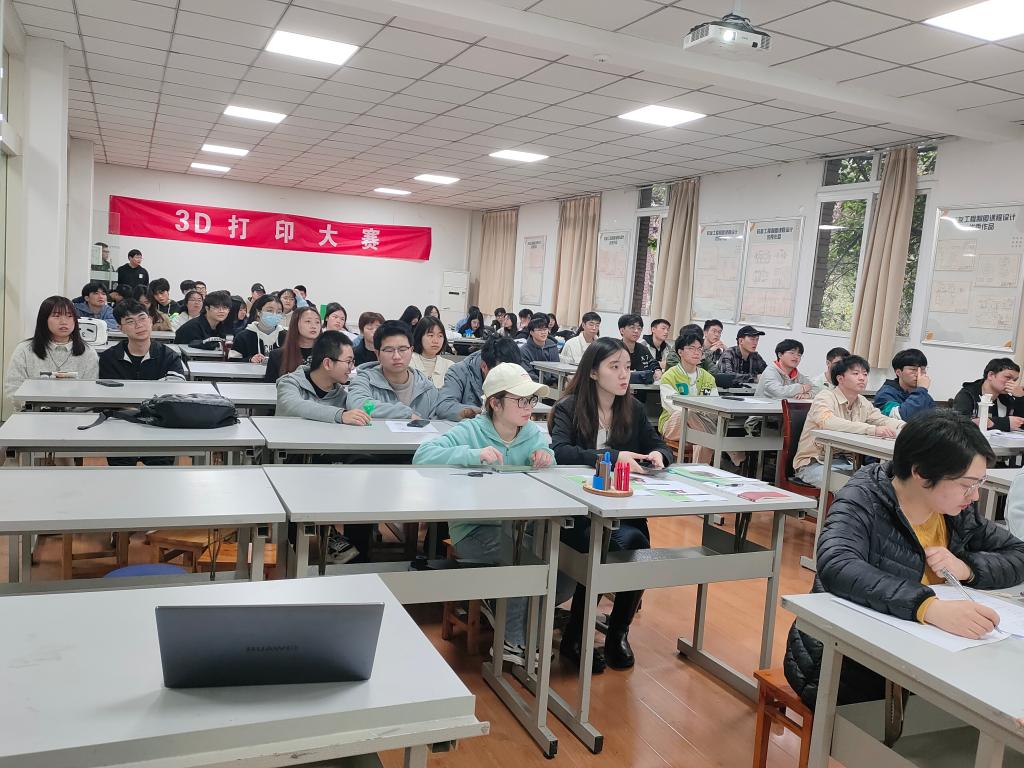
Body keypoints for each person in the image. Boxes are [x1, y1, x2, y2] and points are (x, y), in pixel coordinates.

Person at [784, 409, 1024, 710]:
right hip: (845, 669)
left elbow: (1019, 554)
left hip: (933, 661)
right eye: (967, 484)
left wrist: (967, 569)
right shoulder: (863, 499)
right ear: (921, 473)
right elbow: (838, 565)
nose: (975, 496)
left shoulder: (956, 512)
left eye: (979, 483)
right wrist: (929, 608)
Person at [414, 363, 559, 665]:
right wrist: (472, 455)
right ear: (495, 403)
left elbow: (552, 463)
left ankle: (505, 609)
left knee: (558, 563)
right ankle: (512, 641)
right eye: (521, 400)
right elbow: (422, 456)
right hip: (474, 530)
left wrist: (547, 457)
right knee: (525, 562)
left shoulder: (531, 433)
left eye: (531, 400)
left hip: (518, 527)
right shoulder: (471, 431)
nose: (528, 407)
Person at [549, 338, 674, 672]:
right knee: (606, 547)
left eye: (627, 367)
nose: (623, 375)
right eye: (614, 367)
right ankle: (577, 636)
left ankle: (618, 632)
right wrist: (613, 457)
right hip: (578, 509)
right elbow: (560, 452)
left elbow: (660, 445)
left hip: (621, 507)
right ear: (593, 372)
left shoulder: (632, 408)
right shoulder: (570, 407)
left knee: (637, 546)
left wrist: (658, 455)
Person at [276, 330, 372, 563]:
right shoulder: (290, 383)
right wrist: (340, 415)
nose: (351, 368)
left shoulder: (343, 394)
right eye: (348, 362)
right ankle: (298, 552)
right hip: (290, 462)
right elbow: (292, 406)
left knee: (365, 472)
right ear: (327, 363)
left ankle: (355, 552)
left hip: (328, 461)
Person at [793, 355, 904, 488]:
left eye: (865, 374)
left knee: (882, 484)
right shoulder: (825, 396)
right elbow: (828, 422)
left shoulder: (862, 401)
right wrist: (871, 429)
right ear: (840, 379)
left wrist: (907, 427)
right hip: (814, 463)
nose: (862, 378)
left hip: (848, 464)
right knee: (859, 489)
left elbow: (882, 419)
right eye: (855, 373)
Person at [99, 299, 186, 466]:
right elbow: (110, 398)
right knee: (121, 474)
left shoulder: (169, 356)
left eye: (142, 318)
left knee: (160, 472)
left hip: (159, 425)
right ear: (120, 328)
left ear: (151, 320)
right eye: (130, 321)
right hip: (122, 425)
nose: (138, 325)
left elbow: (174, 396)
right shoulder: (110, 357)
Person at [5, 296, 99, 406]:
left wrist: (67, 410)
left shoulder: (88, 353)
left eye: (69, 316)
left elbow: (90, 393)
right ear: (44, 319)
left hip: (76, 414)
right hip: (33, 412)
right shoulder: (25, 350)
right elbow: (13, 388)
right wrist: (36, 408)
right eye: (56, 316)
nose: (64, 322)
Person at [347, 320, 440, 419]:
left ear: (411, 351)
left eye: (403, 349)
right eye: (389, 350)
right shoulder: (365, 381)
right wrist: (406, 414)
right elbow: (359, 404)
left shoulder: (427, 388)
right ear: (377, 354)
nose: (397, 356)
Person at [658, 329, 719, 462]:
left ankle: (698, 471)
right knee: (687, 412)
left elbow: (714, 407)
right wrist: (698, 411)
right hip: (673, 424)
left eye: (699, 349)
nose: (696, 352)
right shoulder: (670, 375)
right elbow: (672, 406)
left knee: (702, 439)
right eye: (691, 348)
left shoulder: (708, 377)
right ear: (680, 352)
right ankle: (721, 442)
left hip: (699, 426)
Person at [435, 336, 524, 420]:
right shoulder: (459, 372)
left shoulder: (516, 373)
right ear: (484, 366)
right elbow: (444, 406)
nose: (507, 379)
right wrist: (480, 412)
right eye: (501, 373)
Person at [952, 358, 1024, 432]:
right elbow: (960, 424)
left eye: (1014, 380)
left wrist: (1021, 398)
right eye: (1008, 377)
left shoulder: (1006, 398)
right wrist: (1004, 423)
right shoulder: (967, 394)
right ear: (991, 375)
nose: (1012, 383)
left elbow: (1020, 423)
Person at [874, 348, 935, 421]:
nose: (919, 374)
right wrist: (921, 389)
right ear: (898, 372)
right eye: (913, 370)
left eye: (922, 369)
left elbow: (936, 418)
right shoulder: (885, 394)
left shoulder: (922, 394)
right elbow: (901, 417)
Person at [264, 305, 320, 382]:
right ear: (295, 324)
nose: (314, 326)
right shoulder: (277, 356)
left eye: (317, 322)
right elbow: (269, 386)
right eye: (308, 321)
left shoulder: (326, 355)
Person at [234, 295, 285, 363]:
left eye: (279, 312)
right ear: (259, 312)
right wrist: (250, 360)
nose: (274, 314)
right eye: (269, 311)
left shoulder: (286, 336)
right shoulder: (243, 336)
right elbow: (233, 360)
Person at [410, 316, 452, 388]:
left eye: (440, 336)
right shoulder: (408, 363)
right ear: (419, 336)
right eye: (430, 335)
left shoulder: (450, 366)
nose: (436, 341)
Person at [617, 313, 660, 382]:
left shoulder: (643, 349)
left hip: (641, 387)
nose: (636, 331)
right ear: (622, 330)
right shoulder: (615, 349)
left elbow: (652, 362)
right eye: (632, 327)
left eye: (639, 328)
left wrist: (657, 370)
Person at [520, 315, 560, 384]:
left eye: (545, 329)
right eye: (539, 330)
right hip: (534, 384)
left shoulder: (552, 346)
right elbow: (528, 373)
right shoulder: (524, 350)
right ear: (531, 332)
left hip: (553, 384)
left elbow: (557, 367)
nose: (543, 332)